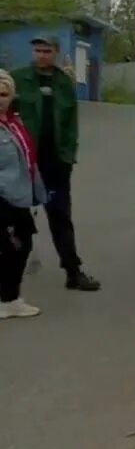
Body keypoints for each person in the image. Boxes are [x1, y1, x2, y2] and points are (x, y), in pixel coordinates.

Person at [13, 35, 99, 291]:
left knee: (60, 216)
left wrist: (68, 155)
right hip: (23, 163)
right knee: (14, 219)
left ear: (56, 52)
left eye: (47, 50)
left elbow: (71, 123)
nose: (41, 55)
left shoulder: (63, 83)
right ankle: (9, 280)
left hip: (55, 164)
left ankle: (73, 272)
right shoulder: (17, 79)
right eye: (37, 50)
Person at [0, 69, 45, 319]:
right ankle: (8, 300)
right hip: (3, 197)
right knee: (13, 247)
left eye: (4, 93)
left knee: (21, 245)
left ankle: (10, 297)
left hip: (19, 195)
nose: (0, 98)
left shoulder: (13, 122)